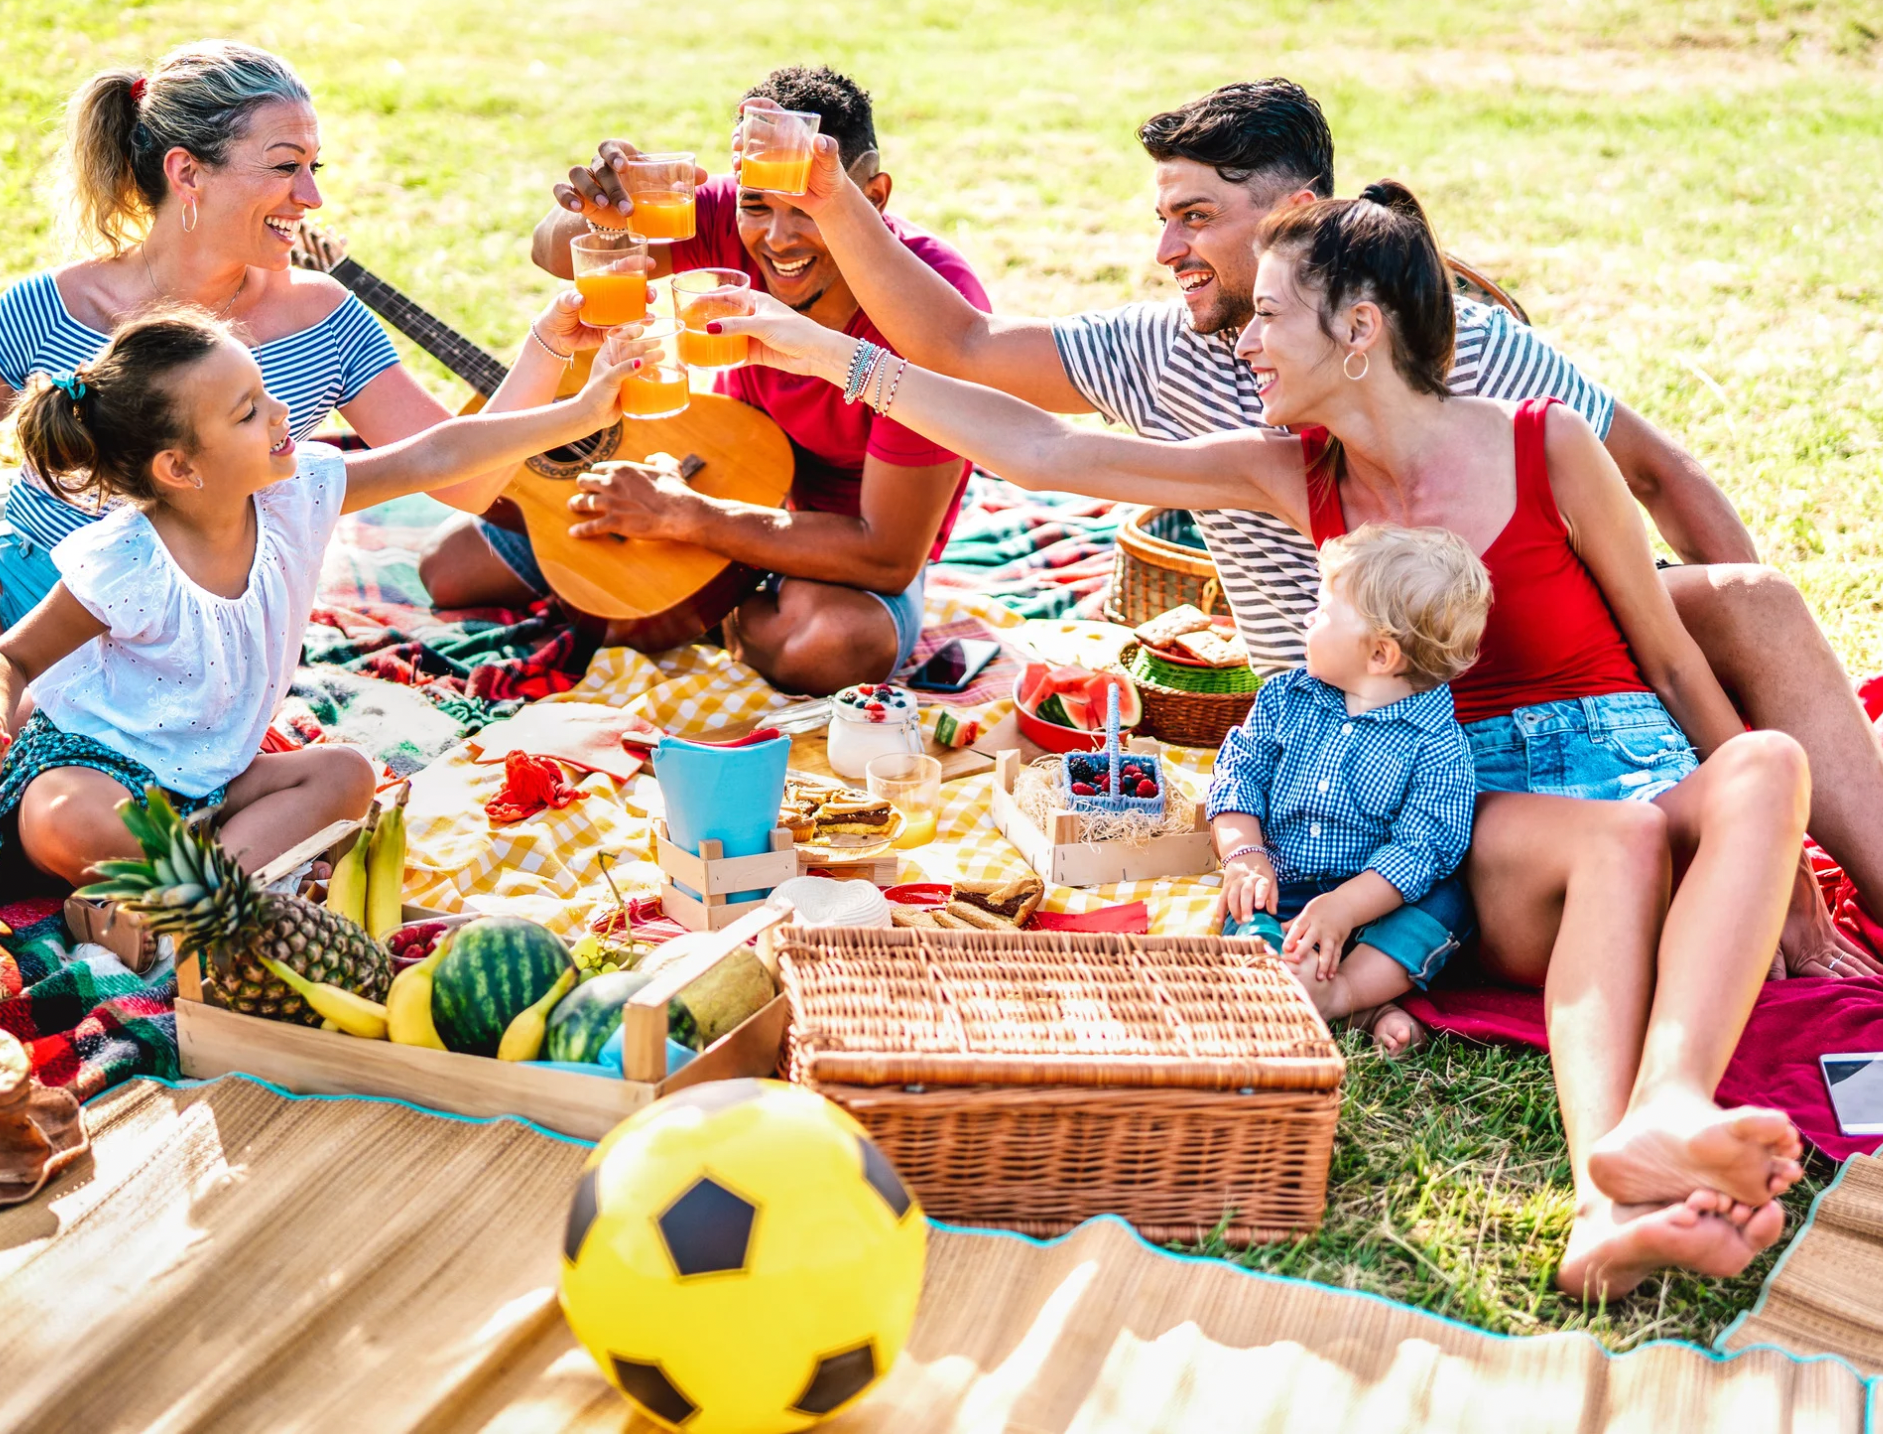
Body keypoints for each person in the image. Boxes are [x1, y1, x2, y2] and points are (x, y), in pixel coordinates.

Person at [712, 181, 1808, 1299]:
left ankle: (1665, 1112)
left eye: (1269, 315)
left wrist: (1777, 861)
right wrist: (830, 356)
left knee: (1766, 765)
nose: (1244, 342)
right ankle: (1604, 1200)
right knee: (1619, 840)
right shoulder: (1289, 475)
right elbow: (1042, 453)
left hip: (1642, 771)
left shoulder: (1546, 443)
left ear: (1358, 328)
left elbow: (1669, 660)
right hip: (1516, 837)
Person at [759, 76, 1879, 982]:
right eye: (1162, 216)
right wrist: (824, 238)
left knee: (1748, 604)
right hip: (1370, 705)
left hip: (1536, 659)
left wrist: (1733, 727)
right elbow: (983, 377)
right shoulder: (1186, 368)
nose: (1165, 249)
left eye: (1193, 215)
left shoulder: (1455, 348)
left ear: (1301, 231)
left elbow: (1651, 470)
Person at [0, 40, 613, 854]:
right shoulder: (49, 308)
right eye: (286, 166)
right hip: (26, 588)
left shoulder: (325, 319)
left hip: (171, 666)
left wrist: (550, 353)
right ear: (187, 172)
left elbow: (460, 475)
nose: (310, 197)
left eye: (315, 166)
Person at [0, 303, 638, 887]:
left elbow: (436, 453)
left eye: (266, 392)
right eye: (247, 413)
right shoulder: (127, 565)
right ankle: (218, 885)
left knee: (345, 775)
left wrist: (580, 415)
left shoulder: (298, 497)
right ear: (179, 467)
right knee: (65, 817)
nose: (280, 413)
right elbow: (8, 662)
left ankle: (188, 898)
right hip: (97, 773)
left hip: (212, 785)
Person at [415, 65, 989, 695]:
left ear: (873, 197)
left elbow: (887, 554)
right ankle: (672, 599)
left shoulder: (932, 310)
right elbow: (553, 254)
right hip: (716, 462)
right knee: (449, 570)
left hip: (833, 546)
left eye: (808, 209)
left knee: (835, 646)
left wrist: (684, 518)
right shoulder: (721, 215)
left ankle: (687, 610)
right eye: (757, 206)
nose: (777, 238)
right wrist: (603, 215)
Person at [1210, 525, 1491, 1046]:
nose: (1307, 617)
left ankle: (1345, 994)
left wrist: (1345, 907)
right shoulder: (1284, 699)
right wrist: (1244, 854)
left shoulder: (1438, 745)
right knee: (1250, 909)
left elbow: (1423, 848)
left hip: (1379, 904)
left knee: (1447, 905)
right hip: (1285, 885)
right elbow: (1237, 775)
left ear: (1380, 656)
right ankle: (1328, 992)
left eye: (1323, 609)